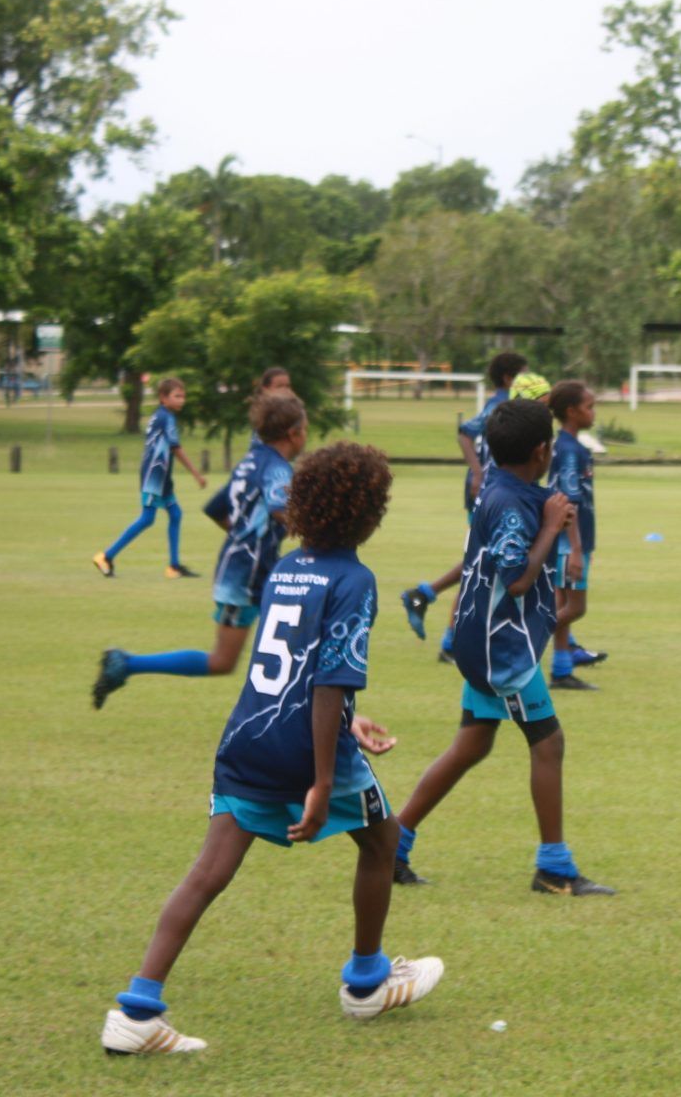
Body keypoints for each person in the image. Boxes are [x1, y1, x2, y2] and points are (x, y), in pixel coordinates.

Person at [99, 442, 441, 1056]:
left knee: (208, 872)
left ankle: (136, 1010)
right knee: (383, 840)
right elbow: (330, 682)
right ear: (371, 513)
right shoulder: (356, 579)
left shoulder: (285, 566)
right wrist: (320, 775)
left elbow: (286, 670)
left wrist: (351, 724)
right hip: (304, 748)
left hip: (247, 735)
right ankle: (366, 981)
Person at [392, 399, 615, 896]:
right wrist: (554, 526)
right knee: (548, 743)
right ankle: (554, 867)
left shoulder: (500, 486)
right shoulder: (512, 503)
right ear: (542, 450)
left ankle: (394, 841)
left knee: (472, 744)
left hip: (484, 639)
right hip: (501, 649)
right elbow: (516, 580)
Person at [92, 393, 309, 708]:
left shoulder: (252, 460)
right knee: (224, 660)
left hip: (252, 568)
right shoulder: (277, 468)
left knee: (306, 627)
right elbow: (280, 509)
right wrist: (319, 534)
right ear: (293, 433)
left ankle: (306, 708)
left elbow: (217, 508)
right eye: (305, 429)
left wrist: (246, 536)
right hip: (247, 575)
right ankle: (127, 664)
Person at [401, 352, 527, 659]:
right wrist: (478, 471)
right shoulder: (500, 406)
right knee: (480, 563)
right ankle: (434, 613)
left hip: (495, 492)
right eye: (523, 374)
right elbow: (464, 434)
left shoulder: (507, 405)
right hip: (488, 492)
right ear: (509, 379)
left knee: (482, 562)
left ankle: (439, 621)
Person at [94, 378, 207, 579]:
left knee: (176, 514)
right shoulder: (166, 418)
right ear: (163, 398)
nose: (182, 400)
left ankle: (173, 566)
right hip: (154, 475)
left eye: (183, 396)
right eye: (177, 396)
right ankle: (106, 556)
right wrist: (196, 474)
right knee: (147, 518)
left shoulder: (162, 415)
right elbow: (176, 449)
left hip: (160, 475)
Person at [548, 381, 604, 690]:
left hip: (567, 542)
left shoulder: (568, 446)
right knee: (575, 608)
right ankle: (515, 640)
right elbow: (568, 500)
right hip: (569, 544)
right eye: (589, 407)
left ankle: (561, 670)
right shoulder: (570, 451)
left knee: (560, 606)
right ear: (572, 412)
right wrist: (577, 549)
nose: (594, 412)